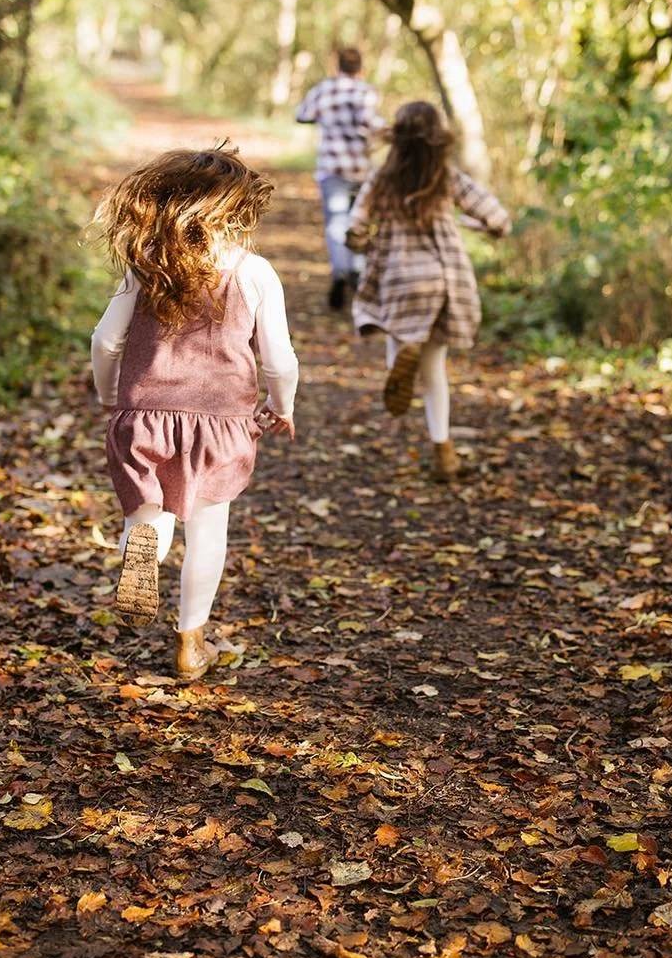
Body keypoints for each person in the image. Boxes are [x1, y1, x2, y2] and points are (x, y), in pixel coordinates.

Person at [90, 147, 299, 681]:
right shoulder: (254, 272)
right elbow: (279, 359)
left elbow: (106, 340)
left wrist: (109, 395)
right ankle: (190, 645)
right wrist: (281, 406)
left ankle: (144, 547)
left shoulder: (149, 266)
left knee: (148, 513)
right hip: (221, 424)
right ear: (234, 213)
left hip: (145, 415)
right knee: (209, 529)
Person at [345, 101, 511, 483]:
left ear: (397, 138)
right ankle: (444, 454)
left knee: (403, 345)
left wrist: (363, 242)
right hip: (443, 277)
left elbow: (355, 230)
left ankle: (401, 359)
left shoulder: (380, 179)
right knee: (435, 368)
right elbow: (498, 218)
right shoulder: (447, 177)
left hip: (399, 280)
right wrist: (481, 227)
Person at [295, 47, 384, 310]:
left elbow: (302, 115)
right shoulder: (366, 91)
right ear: (360, 68)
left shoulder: (323, 90)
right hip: (361, 169)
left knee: (336, 222)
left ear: (338, 66)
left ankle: (340, 271)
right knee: (359, 220)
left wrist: (325, 119)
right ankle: (356, 271)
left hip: (331, 167)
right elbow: (372, 123)